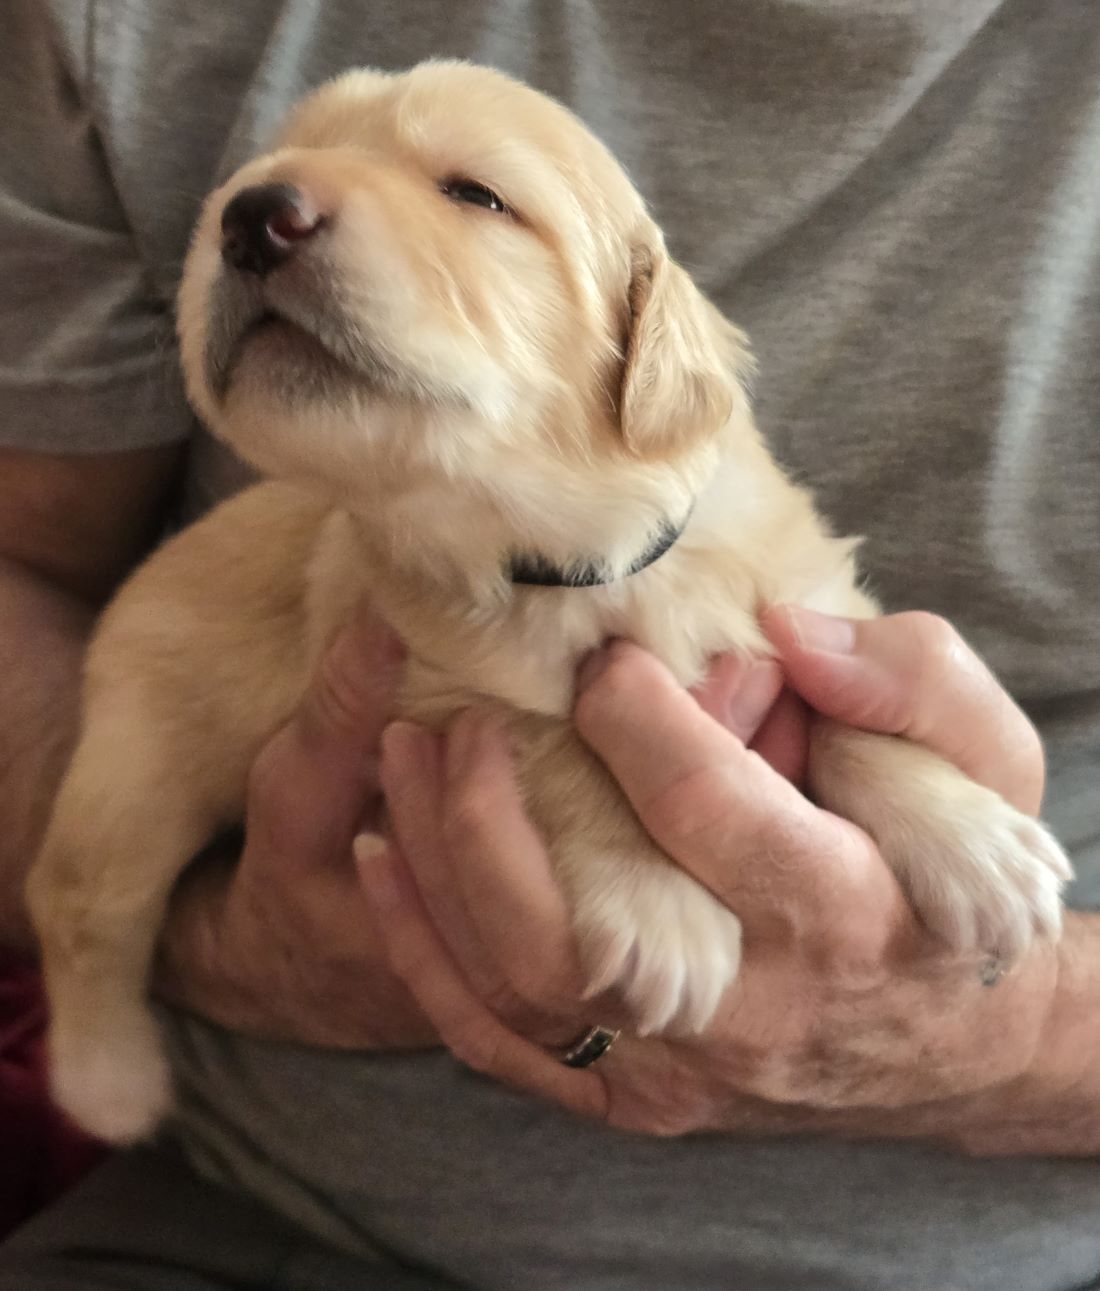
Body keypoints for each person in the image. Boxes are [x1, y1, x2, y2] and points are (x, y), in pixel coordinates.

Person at [2, 1, 1099, 1288]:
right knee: (107, 844)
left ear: (645, 341)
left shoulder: (736, 502)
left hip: (1010, 1253)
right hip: (261, 1215)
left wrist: (1017, 1029)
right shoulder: (115, 24)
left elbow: (834, 669)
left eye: (471, 192)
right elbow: (25, 561)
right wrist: (223, 956)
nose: (263, 211)